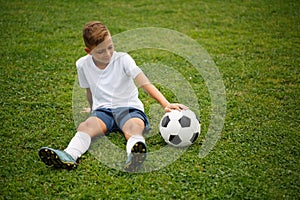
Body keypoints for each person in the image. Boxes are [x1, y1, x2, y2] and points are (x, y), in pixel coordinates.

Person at [38, 21, 187, 172]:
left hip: (129, 108)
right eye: (101, 51)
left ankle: (135, 155)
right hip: (103, 111)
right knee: (85, 126)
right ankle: (69, 155)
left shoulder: (123, 59)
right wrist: (91, 108)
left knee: (133, 127)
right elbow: (89, 90)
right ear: (88, 51)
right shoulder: (82, 65)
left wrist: (165, 103)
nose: (108, 54)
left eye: (110, 47)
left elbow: (144, 83)